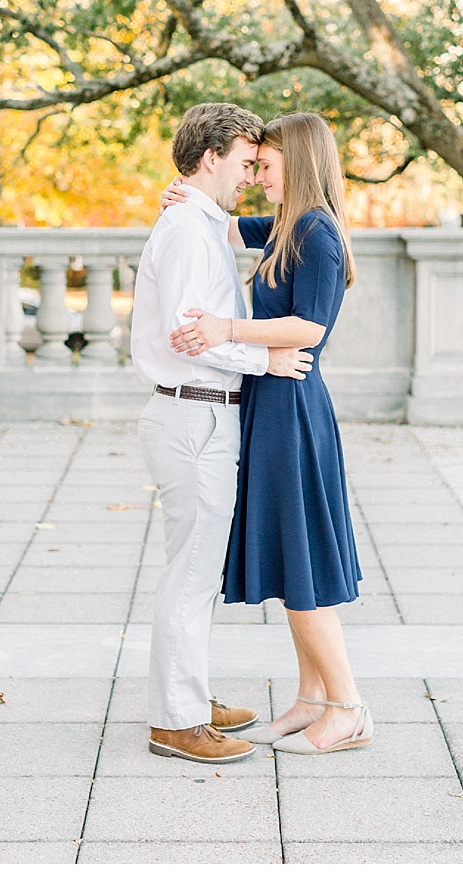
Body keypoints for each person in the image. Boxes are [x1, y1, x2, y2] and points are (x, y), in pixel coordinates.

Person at [164, 111, 369, 754]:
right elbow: (223, 223)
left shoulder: (316, 233)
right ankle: (311, 699)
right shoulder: (285, 224)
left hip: (293, 408)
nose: (255, 176)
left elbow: (311, 328)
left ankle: (347, 707)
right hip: (271, 401)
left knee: (300, 563)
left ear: (299, 164)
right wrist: (185, 194)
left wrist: (225, 329)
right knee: (289, 558)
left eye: (266, 165)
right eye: (251, 165)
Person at [128, 103, 313, 764]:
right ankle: (176, 722)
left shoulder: (201, 222)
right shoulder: (186, 229)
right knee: (191, 573)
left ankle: (189, 699)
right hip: (193, 412)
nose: (251, 176)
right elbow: (189, 333)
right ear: (211, 158)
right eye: (244, 162)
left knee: (199, 572)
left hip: (203, 412)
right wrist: (265, 360)